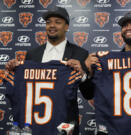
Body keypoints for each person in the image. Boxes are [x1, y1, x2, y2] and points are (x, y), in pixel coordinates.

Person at [5, 6, 93, 135]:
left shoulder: (80, 53)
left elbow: (89, 94)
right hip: (35, 123)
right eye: (48, 22)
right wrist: (14, 70)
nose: (52, 25)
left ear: (66, 27)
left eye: (57, 22)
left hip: (64, 126)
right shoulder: (32, 54)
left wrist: (83, 75)